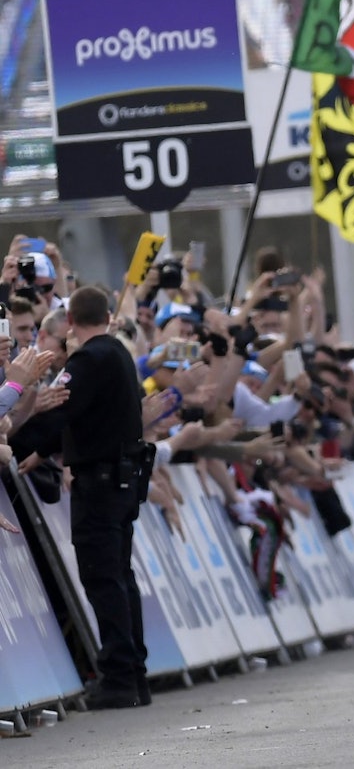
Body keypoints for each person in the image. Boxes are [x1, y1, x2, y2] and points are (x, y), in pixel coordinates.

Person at [59, 286, 153, 709]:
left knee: (104, 577)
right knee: (120, 575)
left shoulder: (87, 360)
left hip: (99, 484)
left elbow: (59, 407)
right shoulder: (118, 354)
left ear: (70, 322)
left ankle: (118, 676)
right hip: (122, 480)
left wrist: (33, 446)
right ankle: (133, 675)